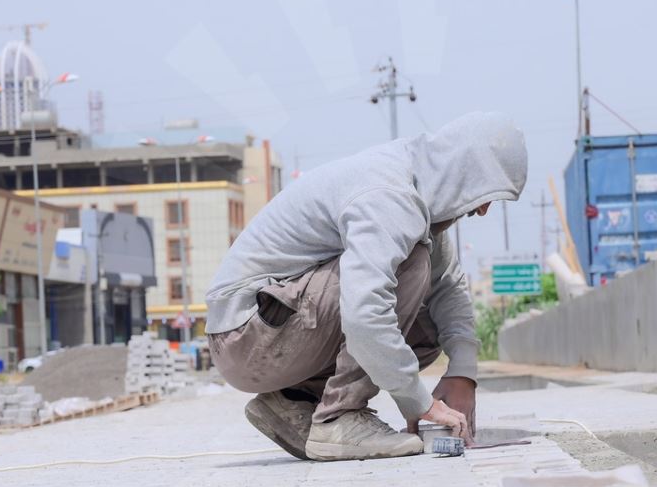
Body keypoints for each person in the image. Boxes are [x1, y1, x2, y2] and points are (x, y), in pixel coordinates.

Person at [206, 112, 527, 461]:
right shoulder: (389, 195)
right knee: (410, 266)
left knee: (427, 325)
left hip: (269, 333)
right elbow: (363, 315)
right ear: (461, 174)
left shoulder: (419, 197)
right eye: (485, 195)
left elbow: (448, 286)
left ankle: (294, 402)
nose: (482, 210)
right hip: (246, 336)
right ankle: (339, 418)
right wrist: (420, 404)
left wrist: (463, 373)